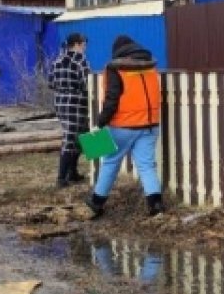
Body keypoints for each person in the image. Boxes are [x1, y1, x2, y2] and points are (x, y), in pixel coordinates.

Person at [85, 35, 164, 219]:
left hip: (123, 126)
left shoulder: (115, 69)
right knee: (146, 166)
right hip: (150, 125)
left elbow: (112, 100)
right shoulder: (150, 67)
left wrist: (100, 123)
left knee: (111, 162)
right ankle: (156, 206)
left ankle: (96, 203)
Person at [48, 32, 92, 188]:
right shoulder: (80, 60)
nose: (85, 47)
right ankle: (61, 177)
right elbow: (87, 83)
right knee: (77, 137)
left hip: (60, 102)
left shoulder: (57, 60)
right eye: (84, 44)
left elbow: (51, 82)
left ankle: (72, 172)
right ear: (77, 44)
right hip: (77, 103)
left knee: (79, 136)